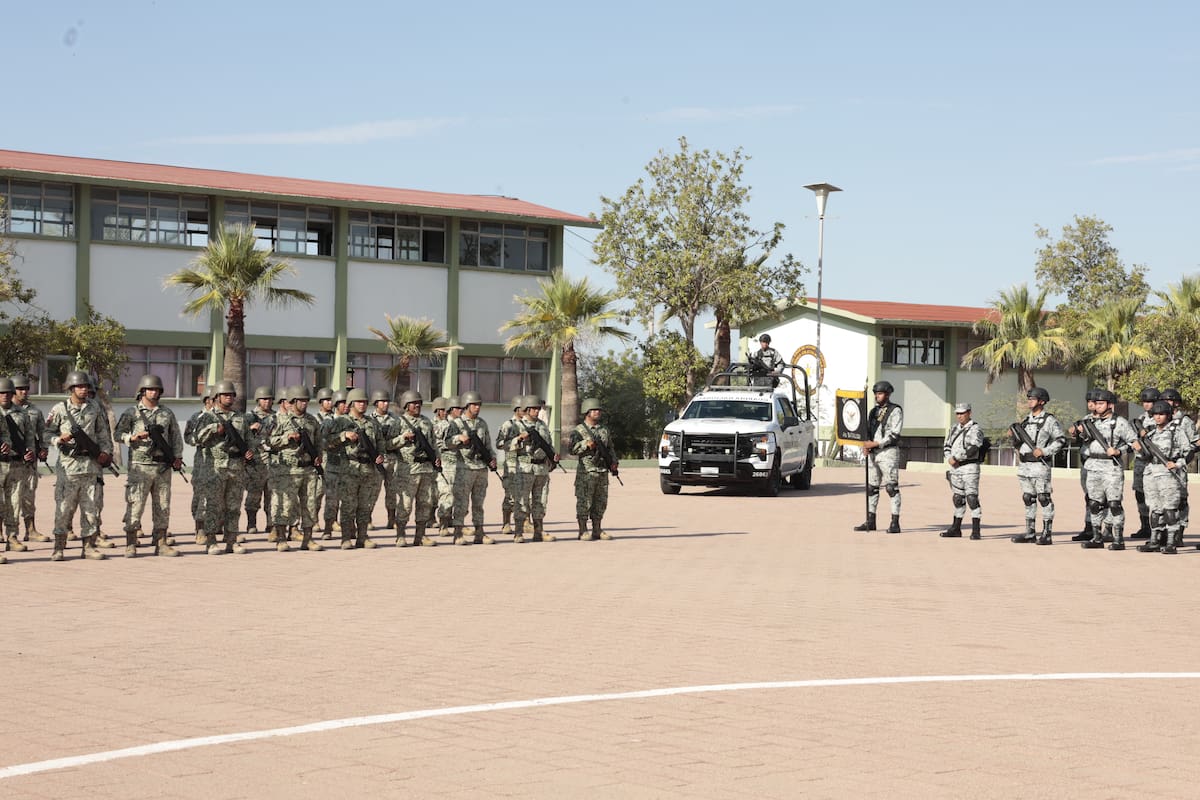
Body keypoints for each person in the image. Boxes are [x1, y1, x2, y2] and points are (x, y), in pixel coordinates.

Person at [114, 374, 184, 557]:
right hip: (140, 466)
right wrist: (132, 438)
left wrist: (177, 456)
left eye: (157, 390)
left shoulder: (166, 413)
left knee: (162, 506)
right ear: (142, 391)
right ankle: (130, 543)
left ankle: (161, 542)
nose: (154, 392)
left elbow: (176, 437)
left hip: (162, 467)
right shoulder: (132, 413)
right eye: (150, 389)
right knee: (135, 504)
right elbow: (118, 434)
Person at [49, 370, 114, 561]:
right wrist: (58, 439)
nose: (84, 389)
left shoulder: (95, 407)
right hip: (68, 466)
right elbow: (46, 434)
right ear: (71, 388)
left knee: (90, 509)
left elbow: (103, 434)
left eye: (86, 386)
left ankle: (89, 546)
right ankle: (59, 547)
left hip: (90, 466)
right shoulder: (59, 409)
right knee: (64, 508)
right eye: (80, 386)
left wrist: (106, 453)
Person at [193, 381, 253, 555]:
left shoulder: (240, 417)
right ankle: (211, 541)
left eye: (232, 395)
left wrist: (250, 452)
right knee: (213, 505)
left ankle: (231, 540)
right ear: (217, 397)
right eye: (226, 394)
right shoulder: (207, 417)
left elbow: (250, 440)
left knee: (234, 506)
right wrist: (214, 429)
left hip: (236, 467)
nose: (229, 397)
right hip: (215, 468)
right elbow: (196, 438)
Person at [324, 388, 385, 549]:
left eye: (365, 402)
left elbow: (380, 443)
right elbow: (327, 443)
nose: (363, 405)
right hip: (349, 469)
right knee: (348, 505)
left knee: (365, 506)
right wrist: (344, 436)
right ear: (351, 403)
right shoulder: (340, 422)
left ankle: (363, 537)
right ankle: (346, 538)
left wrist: (380, 455)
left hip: (368, 469)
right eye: (359, 402)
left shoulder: (372, 423)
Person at [1076, 390, 1137, 550]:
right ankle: (1097, 537)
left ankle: (1118, 539)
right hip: (1092, 465)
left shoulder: (1120, 422)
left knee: (1114, 504)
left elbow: (1134, 443)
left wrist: (1119, 451)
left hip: (1111, 468)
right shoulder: (1090, 422)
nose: (1097, 406)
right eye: (1096, 403)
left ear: (1110, 404)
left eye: (1101, 403)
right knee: (1094, 504)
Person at [267, 386, 324, 552]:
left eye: (306, 400)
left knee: (310, 506)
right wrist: (287, 438)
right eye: (301, 400)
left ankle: (308, 539)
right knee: (285, 505)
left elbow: (319, 442)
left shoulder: (312, 421)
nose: (304, 403)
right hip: (288, 471)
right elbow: (268, 442)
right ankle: (282, 539)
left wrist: (318, 457)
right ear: (292, 402)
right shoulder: (280, 420)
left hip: (308, 470)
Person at [1010, 387, 1065, 545]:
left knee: (1044, 498)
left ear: (1042, 401)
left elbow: (1060, 440)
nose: (1029, 401)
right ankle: (1030, 532)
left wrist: (1045, 451)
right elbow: (1019, 441)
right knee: (1028, 498)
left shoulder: (1049, 420)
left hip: (1040, 466)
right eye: (1028, 398)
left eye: (1032, 399)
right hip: (1024, 465)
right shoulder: (1026, 420)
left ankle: (1047, 534)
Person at [1135, 400, 1189, 554]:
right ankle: (1154, 540)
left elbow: (1188, 452)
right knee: (1154, 509)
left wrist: (1177, 465)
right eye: (1155, 414)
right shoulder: (1150, 433)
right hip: (1151, 472)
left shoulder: (1176, 431)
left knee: (1169, 509)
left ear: (1168, 415)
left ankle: (1171, 542)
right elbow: (1144, 455)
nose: (1158, 417)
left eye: (1161, 414)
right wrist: (1138, 449)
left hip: (1168, 474)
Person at [853, 381, 904, 533]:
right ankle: (871, 520)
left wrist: (875, 444)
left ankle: (895, 522)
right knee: (871, 488)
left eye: (880, 393)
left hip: (888, 452)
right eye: (876, 393)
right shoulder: (873, 412)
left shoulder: (895, 411)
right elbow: (868, 430)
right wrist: (866, 445)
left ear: (887, 394)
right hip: (873, 453)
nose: (877, 396)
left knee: (891, 488)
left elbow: (894, 435)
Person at [447, 390, 495, 544]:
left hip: (481, 468)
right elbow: (447, 442)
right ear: (467, 406)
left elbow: (488, 445)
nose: (477, 407)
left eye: (479, 405)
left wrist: (492, 458)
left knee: (478, 503)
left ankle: (479, 532)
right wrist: (458, 438)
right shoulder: (457, 423)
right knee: (461, 502)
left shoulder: (482, 423)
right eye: (474, 404)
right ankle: (458, 533)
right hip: (464, 468)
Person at [393, 390, 439, 547]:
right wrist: (402, 438)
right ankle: (400, 534)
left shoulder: (427, 422)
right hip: (408, 470)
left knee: (425, 503)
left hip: (426, 469)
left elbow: (433, 443)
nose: (417, 405)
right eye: (414, 403)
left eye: (419, 403)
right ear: (406, 405)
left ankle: (420, 535)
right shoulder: (398, 423)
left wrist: (437, 458)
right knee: (405, 504)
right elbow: (387, 444)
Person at [570, 398, 618, 541]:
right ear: (587, 412)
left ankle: (597, 529)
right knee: (584, 501)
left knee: (601, 502)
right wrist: (586, 444)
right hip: (587, 472)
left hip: (602, 471)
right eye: (594, 410)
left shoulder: (604, 429)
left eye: (599, 410)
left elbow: (610, 448)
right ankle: (583, 530)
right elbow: (572, 449)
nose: (597, 412)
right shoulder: (578, 430)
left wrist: (614, 462)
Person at [0, 377, 37, 561]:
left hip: (16, 463)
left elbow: (29, 437)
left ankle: (12, 536)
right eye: (1, 392)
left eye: (8, 392)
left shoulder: (21, 414)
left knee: (14, 502)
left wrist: (30, 453)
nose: (5, 395)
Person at [11, 374, 49, 543]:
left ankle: (30, 530)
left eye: (26, 389)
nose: (24, 392)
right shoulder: (5, 410)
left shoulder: (35, 411)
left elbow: (43, 432)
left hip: (29, 461)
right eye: (20, 389)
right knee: (7, 497)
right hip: (9, 461)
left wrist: (43, 449)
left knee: (28, 496)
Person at [941, 402, 984, 539]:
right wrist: (949, 458)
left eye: (962, 413)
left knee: (971, 498)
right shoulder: (953, 428)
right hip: (955, 468)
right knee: (958, 498)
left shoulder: (975, 429)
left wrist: (957, 457)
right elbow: (947, 445)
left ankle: (976, 530)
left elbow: (974, 448)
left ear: (969, 413)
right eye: (958, 413)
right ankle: (956, 528)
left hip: (969, 467)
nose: (959, 416)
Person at [519, 395, 558, 543]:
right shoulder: (517, 425)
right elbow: (506, 445)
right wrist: (520, 439)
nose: (536, 411)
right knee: (522, 500)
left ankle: (538, 531)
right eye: (534, 408)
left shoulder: (542, 425)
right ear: (527, 409)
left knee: (540, 501)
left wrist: (553, 456)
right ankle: (519, 530)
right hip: (526, 467)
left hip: (542, 468)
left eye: (538, 408)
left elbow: (548, 443)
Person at [1159, 388, 1195, 535]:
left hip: (1179, 465)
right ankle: (1163, 532)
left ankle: (1179, 531)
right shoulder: (1159, 419)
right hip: (1161, 467)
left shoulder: (1184, 421)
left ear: (1176, 403)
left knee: (1180, 499)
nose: (1167, 403)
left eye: (1169, 400)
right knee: (1163, 500)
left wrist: (1182, 460)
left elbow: (1195, 443)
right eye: (1164, 400)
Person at [1067, 390, 1100, 542]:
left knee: (1104, 499)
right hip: (1087, 462)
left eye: (1094, 401)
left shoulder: (1112, 421)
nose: (1091, 404)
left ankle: (1105, 529)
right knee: (1089, 498)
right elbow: (1078, 438)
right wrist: (1074, 432)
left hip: (1103, 464)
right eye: (1089, 401)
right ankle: (1089, 527)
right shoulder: (1086, 419)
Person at [244, 386, 276, 539]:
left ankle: (271, 523)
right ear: (258, 400)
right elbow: (240, 435)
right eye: (264, 399)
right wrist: (250, 428)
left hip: (273, 462)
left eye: (269, 399)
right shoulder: (249, 417)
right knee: (253, 495)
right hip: (256, 463)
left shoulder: (277, 417)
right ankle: (251, 523)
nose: (267, 402)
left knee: (272, 495)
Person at [1128, 388, 1160, 540]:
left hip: (1156, 462)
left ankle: (1159, 529)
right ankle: (1145, 525)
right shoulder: (1140, 419)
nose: (1147, 405)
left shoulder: (1162, 418)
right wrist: (1133, 443)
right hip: (1141, 461)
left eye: (1150, 402)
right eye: (1145, 402)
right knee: (1140, 494)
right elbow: (1131, 437)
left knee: (1156, 495)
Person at [184, 390, 215, 544]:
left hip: (222, 464)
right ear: (206, 400)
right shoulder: (197, 418)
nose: (213, 401)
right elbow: (189, 438)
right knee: (201, 496)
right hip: (202, 463)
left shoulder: (225, 416)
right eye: (211, 398)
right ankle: (200, 529)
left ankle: (216, 529)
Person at [369, 390, 399, 531]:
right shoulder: (370, 420)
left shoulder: (395, 419)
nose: (386, 404)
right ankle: (367, 519)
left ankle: (391, 519)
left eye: (387, 401)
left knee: (392, 492)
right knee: (372, 491)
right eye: (383, 401)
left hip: (392, 459)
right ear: (376, 403)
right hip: (377, 460)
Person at [497, 397, 524, 534]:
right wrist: (516, 440)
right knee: (511, 496)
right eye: (522, 409)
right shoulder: (508, 425)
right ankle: (506, 523)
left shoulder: (531, 424)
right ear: (516, 409)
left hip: (527, 466)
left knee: (527, 497)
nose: (525, 411)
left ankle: (527, 523)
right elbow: (500, 443)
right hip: (512, 465)